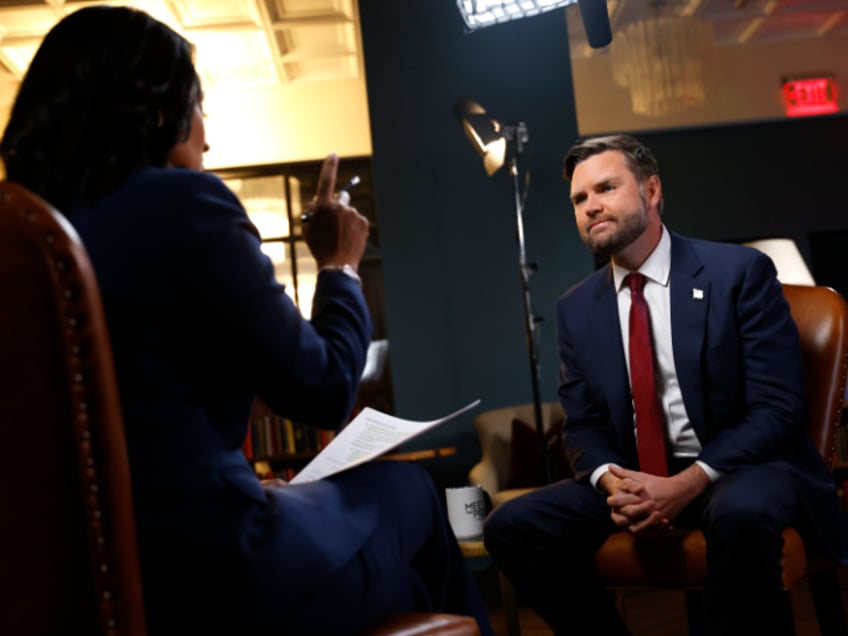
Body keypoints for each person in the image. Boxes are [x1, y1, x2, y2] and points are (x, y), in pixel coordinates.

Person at [0, 6, 492, 635]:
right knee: (413, 493)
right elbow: (322, 388)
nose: (206, 137)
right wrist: (339, 267)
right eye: (198, 107)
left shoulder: (26, 232)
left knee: (404, 578)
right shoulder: (183, 204)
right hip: (218, 575)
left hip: (78, 587)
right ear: (156, 113)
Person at [483, 134, 845, 635]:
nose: (591, 207)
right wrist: (615, 483)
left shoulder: (738, 274)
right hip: (638, 477)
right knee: (511, 527)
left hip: (738, 467)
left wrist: (689, 481)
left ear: (651, 191)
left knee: (740, 513)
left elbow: (778, 409)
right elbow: (582, 425)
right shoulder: (576, 308)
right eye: (579, 199)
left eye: (605, 188)